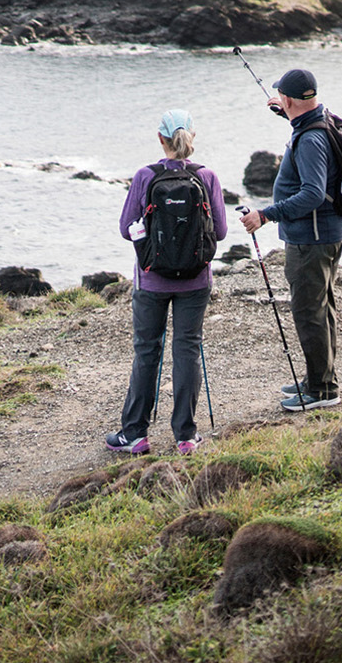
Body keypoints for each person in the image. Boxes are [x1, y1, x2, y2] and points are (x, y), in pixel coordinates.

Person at [107, 108, 228, 455]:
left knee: (148, 351)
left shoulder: (146, 176)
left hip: (152, 280)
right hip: (196, 281)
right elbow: (218, 231)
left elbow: (125, 229)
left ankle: (135, 434)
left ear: (160, 139)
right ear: (192, 138)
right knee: (187, 348)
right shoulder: (207, 177)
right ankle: (186, 437)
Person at [238, 67, 342, 412]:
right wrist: (286, 113)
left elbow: (313, 193)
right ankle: (320, 380)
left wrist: (265, 215)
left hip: (311, 240)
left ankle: (321, 392)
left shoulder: (311, 139)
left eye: (283, 97)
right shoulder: (317, 118)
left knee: (308, 312)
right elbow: (304, 122)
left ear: (289, 98)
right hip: (324, 235)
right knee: (320, 308)